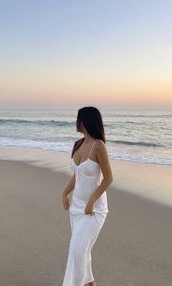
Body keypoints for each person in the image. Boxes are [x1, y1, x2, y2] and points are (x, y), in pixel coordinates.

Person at [62, 106, 113, 286]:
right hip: (76, 208)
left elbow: (108, 178)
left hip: (94, 210)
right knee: (83, 253)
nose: (76, 122)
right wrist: (65, 193)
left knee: (77, 251)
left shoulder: (98, 146)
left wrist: (92, 200)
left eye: (78, 119)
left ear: (84, 121)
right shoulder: (78, 144)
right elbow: (78, 175)